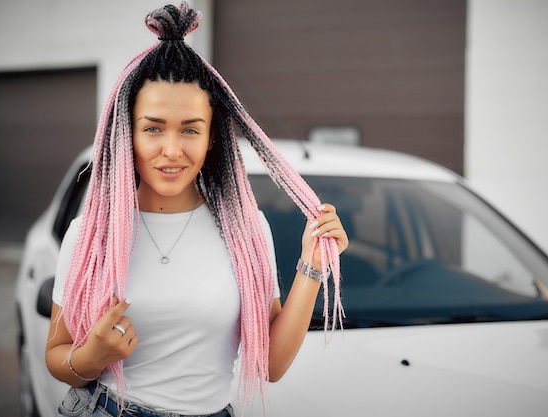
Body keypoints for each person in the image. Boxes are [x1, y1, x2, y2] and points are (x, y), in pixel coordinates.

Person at [45, 3, 348, 417]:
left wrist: (313, 264)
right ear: (127, 134)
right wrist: (91, 356)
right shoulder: (90, 235)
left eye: (190, 129)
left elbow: (272, 365)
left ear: (212, 138)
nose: (172, 150)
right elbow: (57, 356)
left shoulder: (246, 230)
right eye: (152, 128)